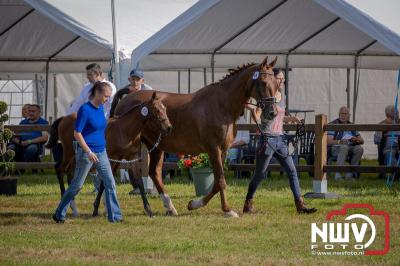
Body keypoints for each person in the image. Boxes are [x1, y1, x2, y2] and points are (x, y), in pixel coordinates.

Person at [243, 69, 316, 214]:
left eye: (283, 79)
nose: (282, 81)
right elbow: (256, 119)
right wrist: (252, 109)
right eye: (279, 78)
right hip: (267, 140)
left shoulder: (281, 96)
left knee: (292, 171)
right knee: (260, 174)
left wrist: (292, 119)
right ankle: (248, 203)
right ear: (272, 79)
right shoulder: (265, 97)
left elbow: (280, 117)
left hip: (280, 139)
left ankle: (300, 205)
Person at [53, 81, 122, 223]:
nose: (107, 99)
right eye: (106, 96)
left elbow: (98, 127)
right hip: (86, 154)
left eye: (109, 97)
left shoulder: (101, 109)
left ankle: (115, 216)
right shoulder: (85, 109)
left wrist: (113, 120)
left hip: (101, 152)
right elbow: (77, 133)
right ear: (97, 93)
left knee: (110, 183)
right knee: (77, 186)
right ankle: (59, 213)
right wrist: (89, 152)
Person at [110, 69, 153, 195]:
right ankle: (136, 185)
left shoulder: (149, 91)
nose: (135, 81)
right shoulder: (124, 92)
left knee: (147, 154)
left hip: (146, 128)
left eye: (137, 79)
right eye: (132, 79)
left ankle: (149, 183)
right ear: (129, 80)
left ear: (142, 81)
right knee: (129, 155)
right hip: (130, 130)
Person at [327, 106, 364, 180]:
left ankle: (350, 174)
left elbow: (362, 141)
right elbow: (328, 141)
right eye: (342, 113)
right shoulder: (333, 124)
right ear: (339, 114)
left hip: (350, 147)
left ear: (349, 115)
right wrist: (340, 141)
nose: (343, 115)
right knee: (344, 147)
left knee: (359, 149)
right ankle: (338, 174)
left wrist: (355, 139)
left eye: (345, 114)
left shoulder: (352, 125)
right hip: (336, 148)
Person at [374, 105, 400, 169]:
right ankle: (397, 172)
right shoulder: (382, 124)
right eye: (395, 112)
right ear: (388, 115)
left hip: (399, 146)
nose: (397, 114)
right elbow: (377, 140)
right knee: (389, 154)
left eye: (397, 112)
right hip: (389, 147)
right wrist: (385, 129)